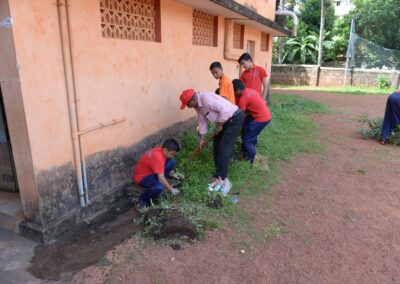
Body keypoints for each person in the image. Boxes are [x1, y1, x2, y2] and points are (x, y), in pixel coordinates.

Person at [179, 89, 244, 189]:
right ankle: (219, 171)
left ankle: (222, 177)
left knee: (224, 147)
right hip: (223, 121)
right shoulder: (198, 107)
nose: (188, 107)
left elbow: (225, 112)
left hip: (233, 118)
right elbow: (202, 122)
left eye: (188, 104)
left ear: (192, 100)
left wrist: (218, 125)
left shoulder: (207, 99)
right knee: (217, 144)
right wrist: (202, 139)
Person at [133, 139, 181, 209]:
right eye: (171, 154)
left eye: (173, 154)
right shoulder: (158, 157)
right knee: (158, 187)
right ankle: (142, 201)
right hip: (142, 177)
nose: (172, 155)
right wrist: (171, 190)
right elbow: (161, 179)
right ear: (165, 150)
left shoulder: (160, 151)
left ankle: (161, 178)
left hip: (151, 172)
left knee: (172, 161)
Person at [232, 79, 271, 163]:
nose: (234, 94)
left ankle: (250, 160)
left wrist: (237, 128)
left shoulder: (243, 99)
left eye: (234, 91)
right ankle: (246, 152)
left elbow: (241, 116)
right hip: (266, 115)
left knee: (247, 140)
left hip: (260, 119)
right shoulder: (251, 90)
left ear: (238, 89)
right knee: (249, 135)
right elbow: (251, 109)